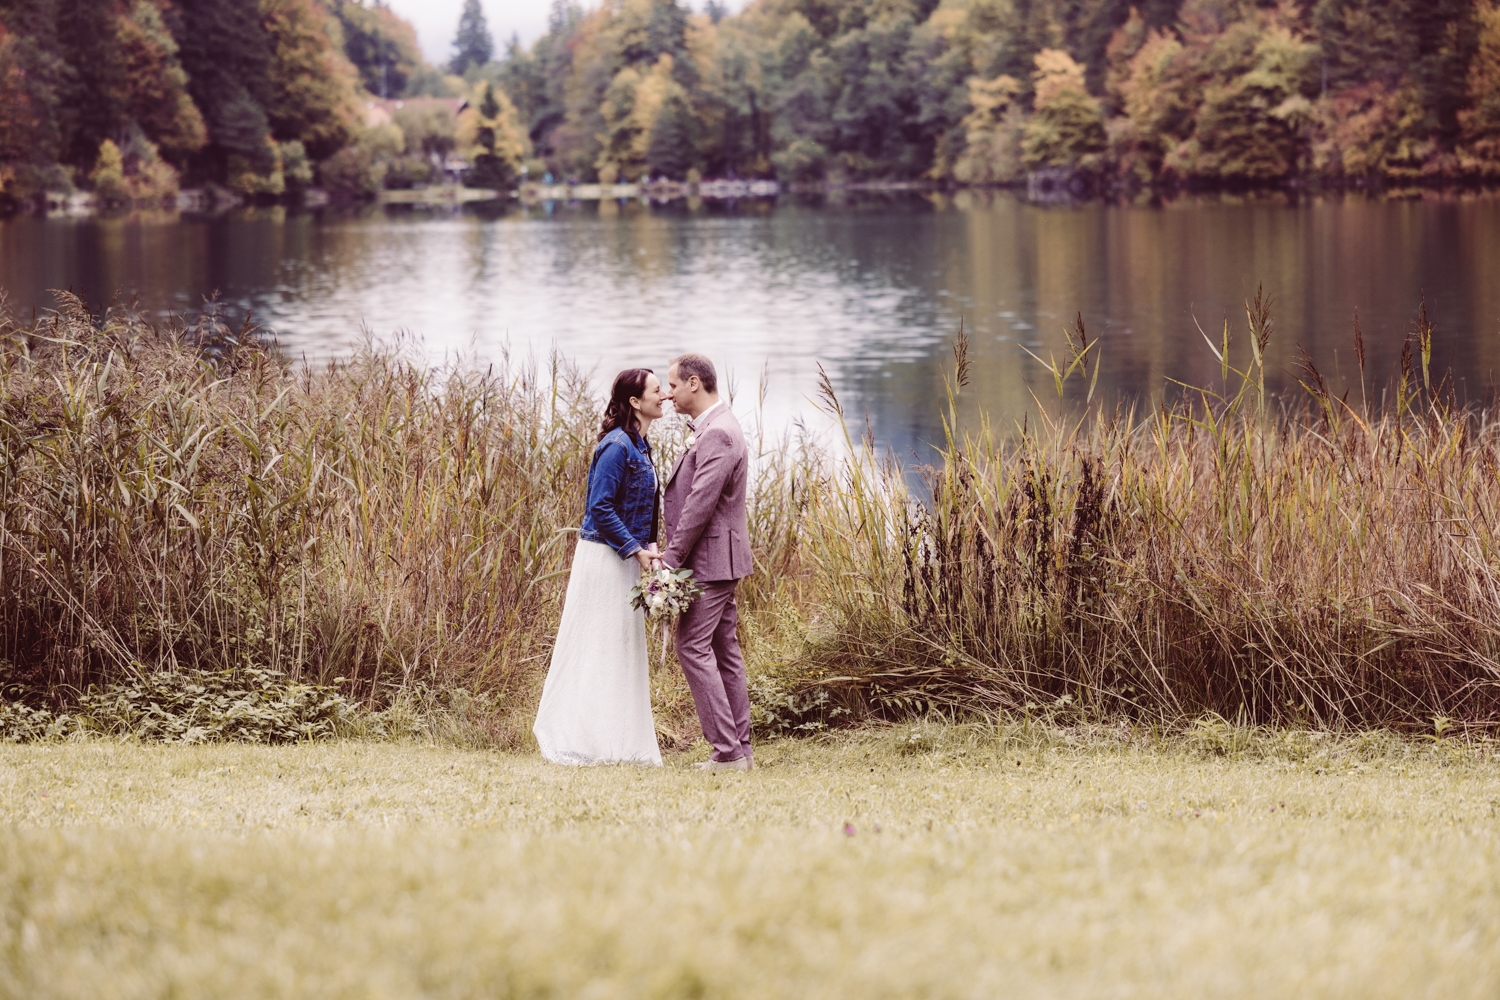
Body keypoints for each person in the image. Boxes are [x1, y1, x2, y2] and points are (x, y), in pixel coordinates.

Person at [533, 369, 665, 766]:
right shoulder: (616, 446)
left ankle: (614, 739)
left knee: (620, 646)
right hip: (605, 556)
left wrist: (651, 546)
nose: (665, 396)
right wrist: (634, 550)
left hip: (627, 555)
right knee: (599, 644)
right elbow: (600, 508)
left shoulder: (642, 446)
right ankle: (583, 738)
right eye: (657, 390)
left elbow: (648, 504)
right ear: (635, 402)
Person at [660, 354, 754, 772]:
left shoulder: (718, 433)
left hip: (711, 560)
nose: (669, 393)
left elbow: (700, 503)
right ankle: (741, 748)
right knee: (723, 649)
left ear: (694, 383)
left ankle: (728, 752)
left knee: (692, 647)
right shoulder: (720, 427)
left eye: (674, 385)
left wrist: (671, 560)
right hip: (722, 559)